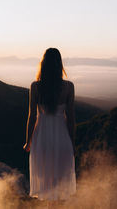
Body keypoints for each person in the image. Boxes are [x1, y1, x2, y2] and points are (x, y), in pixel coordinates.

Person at [23, 48, 77, 203]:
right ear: (60, 64)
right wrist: (73, 143)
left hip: (42, 137)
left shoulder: (36, 86)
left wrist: (28, 141)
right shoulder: (68, 86)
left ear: (43, 64)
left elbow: (32, 116)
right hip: (62, 137)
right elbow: (71, 118)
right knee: (60, 181)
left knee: (46, 180)